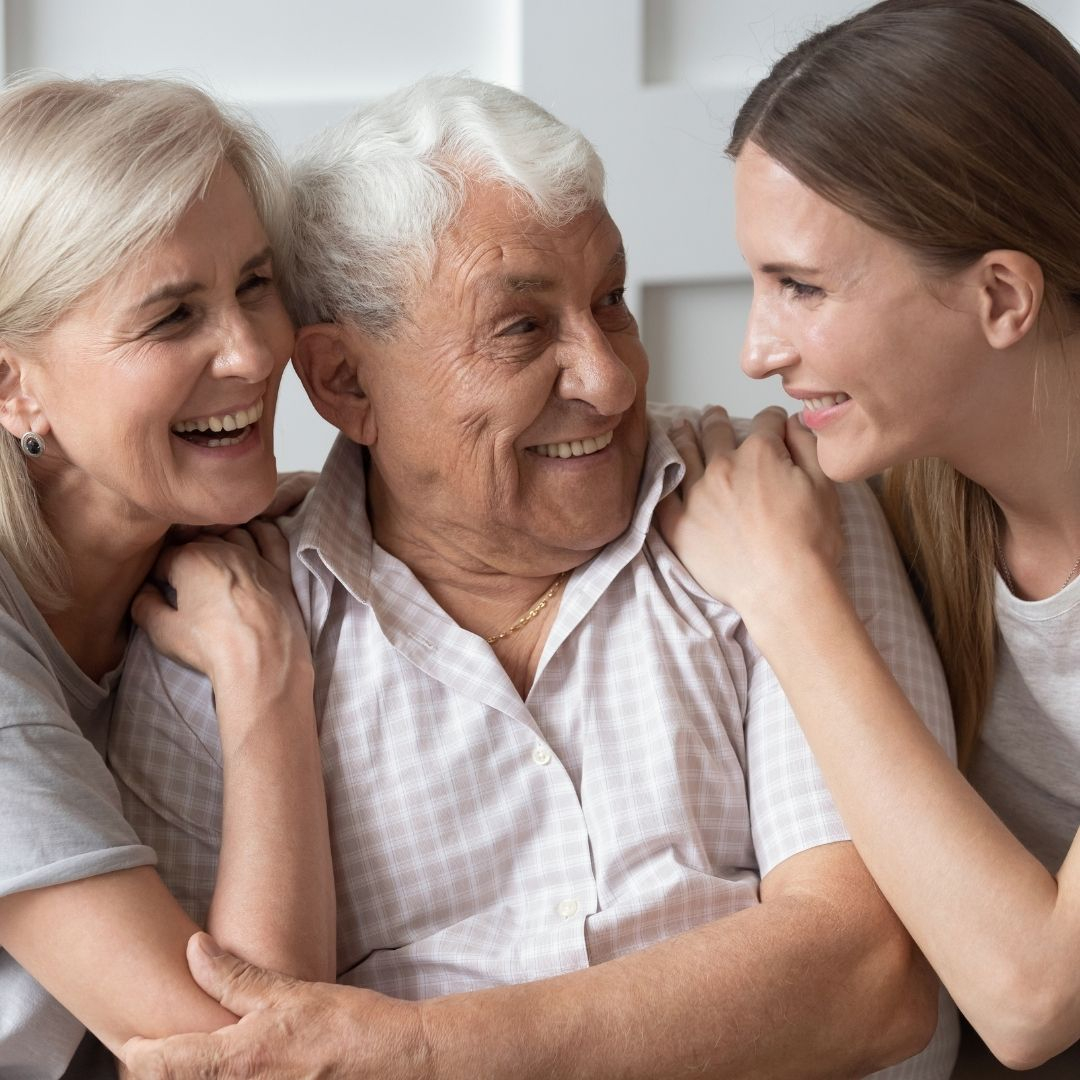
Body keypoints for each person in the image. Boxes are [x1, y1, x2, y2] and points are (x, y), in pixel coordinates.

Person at [113, 74, 958, 1080]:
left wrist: (420, 1050)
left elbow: (874, 977)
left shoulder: (773, 505)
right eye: (521, 329)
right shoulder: (217, 632)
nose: (610, 378)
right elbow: (237, 1048)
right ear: (343, 380)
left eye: (611, 301)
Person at [652, 0, 1080, 1072]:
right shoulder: (914, 490)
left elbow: (1034, 998)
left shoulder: (832, 538)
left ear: (1001, 295)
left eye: (800, 287)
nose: (755, 350)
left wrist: (787, 594)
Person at [0, 77, 334, 1078]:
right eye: (172, 316)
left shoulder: (209, 543)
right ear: (13, 385)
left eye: (256, 284)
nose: (254, 352)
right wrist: (265, 689)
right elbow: (254, 1059)